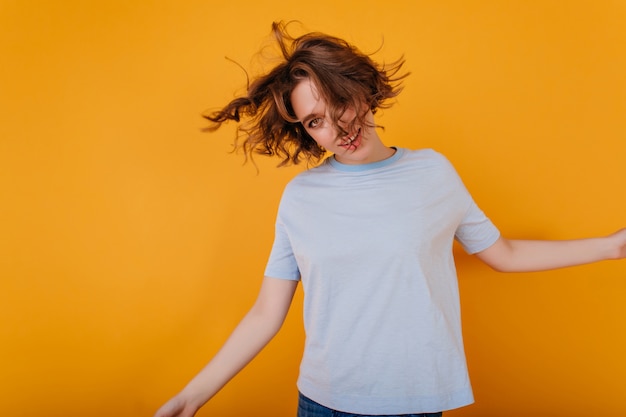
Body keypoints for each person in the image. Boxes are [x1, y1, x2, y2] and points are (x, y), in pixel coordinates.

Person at [154, 21, 626, 417]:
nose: (338, 129)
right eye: (315, 121)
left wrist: (612, 245)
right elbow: (265, 313)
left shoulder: (433, 172)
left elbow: (503, 253)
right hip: (324, 404)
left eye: (339, 103)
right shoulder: (301, 197)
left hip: (417, 403)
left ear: (362, 90)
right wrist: (191, 397)